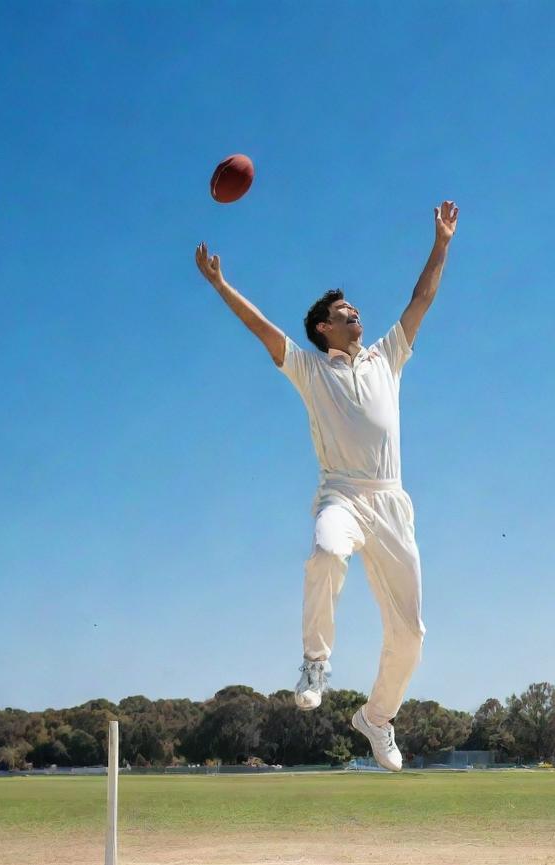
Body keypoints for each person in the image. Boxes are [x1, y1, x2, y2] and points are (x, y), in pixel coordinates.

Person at [194, 200, 459, 771]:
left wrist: (441, 242)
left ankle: (377, 718)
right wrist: (221, 284)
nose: (355, 312)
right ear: (323, 328)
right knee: (325, 551)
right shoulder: (310, 369)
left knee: (411, 635)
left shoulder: (387, 357)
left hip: (391, 501)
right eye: (344, 310)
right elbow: (264, 330)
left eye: (355, 307)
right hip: (340, 494)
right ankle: (316, 662)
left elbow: (422, 299)